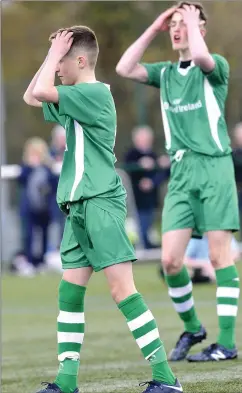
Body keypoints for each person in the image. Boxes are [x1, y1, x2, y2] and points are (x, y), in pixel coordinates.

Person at [23, 26, 182, 393]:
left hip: (99, 201)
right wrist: (52, 53)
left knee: (122, 290)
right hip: (78, 204)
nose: (56, 66)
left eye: (63, 59)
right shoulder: (75, 94)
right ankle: (66, 381)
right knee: (69, 293)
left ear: (80, 60)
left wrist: (53, 56)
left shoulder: (93, 93)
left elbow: (44, 89)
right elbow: (33, 95)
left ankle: (166, 378)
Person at [116, 1, 240, 362]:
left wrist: (191, 19)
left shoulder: (215, 67)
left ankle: (227, 343)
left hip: (214, 168)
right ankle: (193, 327)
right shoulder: (165, 72)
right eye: (173, 23)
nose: (176, 28)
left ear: (201, 28)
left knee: (220, 257)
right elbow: (125, 67)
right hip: (182, 173)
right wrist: (156, 25)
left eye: (184, 22)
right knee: (170, 262)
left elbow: (201, 60)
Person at [13, 137, 56, 275]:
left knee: (44, 235)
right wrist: (30, 167)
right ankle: (29, 262)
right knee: (28, 236)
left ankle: (42, 262)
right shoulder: (25, 168)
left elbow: (54, 184)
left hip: (44, 209)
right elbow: (20, 180)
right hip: (29, 209)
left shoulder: (48, 168)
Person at [124, 125, 170, 249]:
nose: (145, 141)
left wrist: (153, 180)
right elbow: (128, 172)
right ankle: (141, 245)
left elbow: (163, 174)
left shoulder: (154, 155)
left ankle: (147, 244)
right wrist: (140, 166)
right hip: (136, 199)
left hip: (152, 199)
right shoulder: (131, 155)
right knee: (139, 224)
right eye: (142, 138)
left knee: (149, 223)